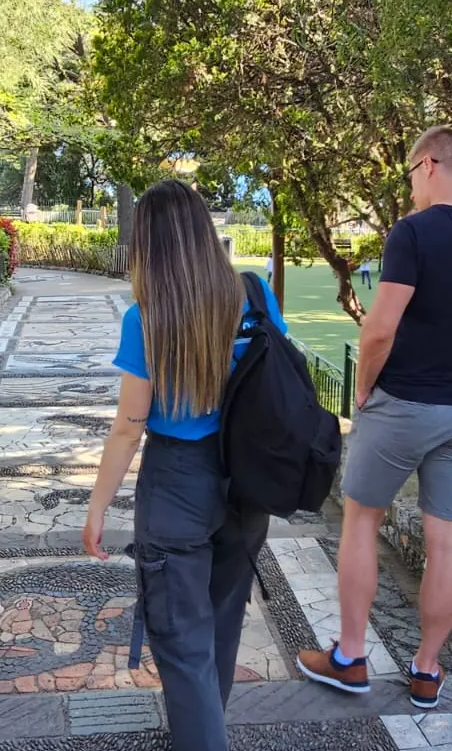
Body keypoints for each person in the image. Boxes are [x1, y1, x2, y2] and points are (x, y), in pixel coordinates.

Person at [296, 126, 452, 708]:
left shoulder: (414, 232)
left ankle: (350, 657)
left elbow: (379, 327)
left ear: (428, 165)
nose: (411, 189)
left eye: (409, 176)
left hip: (404, 405)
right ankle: (426, 670)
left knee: (361, 522)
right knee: (447, 539)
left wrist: (364, 391)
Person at [84, 179, 285, 751]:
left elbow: (129, 427)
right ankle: (203, 732)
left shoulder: (145, 318)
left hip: (177, 482)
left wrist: (97, 506)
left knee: (179, 638)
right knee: (220, 627)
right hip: (245, 481)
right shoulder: (255, 294)